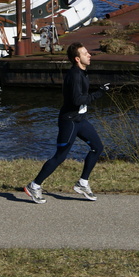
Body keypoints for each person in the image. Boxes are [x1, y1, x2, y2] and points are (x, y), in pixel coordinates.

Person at [24, 41, 108, 204]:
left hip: (80, 120)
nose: (89, 55)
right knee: (60, 157)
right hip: (69, 122)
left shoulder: (83, 71)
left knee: (97, 148)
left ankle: (82, 183)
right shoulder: (75, 75)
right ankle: (34, 186)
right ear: (77, 59)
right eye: (85, 53)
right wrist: (99, 94)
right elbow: (77, 100)